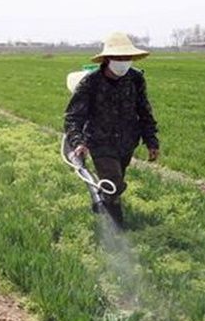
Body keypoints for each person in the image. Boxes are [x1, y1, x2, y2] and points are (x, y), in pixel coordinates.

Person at [64, 32, 160, 230]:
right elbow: (73, 117)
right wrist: (78, 142)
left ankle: (104, 199)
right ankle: (118, 231)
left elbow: (144, 111)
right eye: (119, 58)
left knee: (114, 184)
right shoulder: (90, 83)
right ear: (108, 59)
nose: (124, 62)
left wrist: (151, 141)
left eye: (127, 58)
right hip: (100, 142)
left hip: (127, 142)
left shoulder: (135, 79)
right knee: (113, 183)